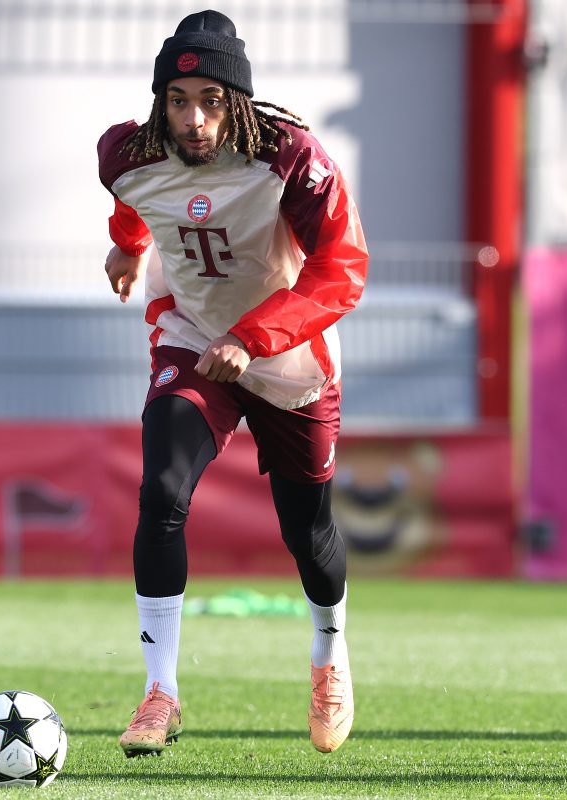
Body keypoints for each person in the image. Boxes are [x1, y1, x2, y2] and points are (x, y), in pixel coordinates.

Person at [96, 8, 369, 758]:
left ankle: (329, 659)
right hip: (191, 335)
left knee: (307, 533)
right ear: (159, 104)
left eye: (212, 101)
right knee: (162, 490)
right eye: (179, 102)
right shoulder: (127, 151)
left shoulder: (291, 157)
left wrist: (253, 338)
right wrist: (127, 248)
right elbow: (131, 197)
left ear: (239, 102)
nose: (194, 120)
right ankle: (161, 692)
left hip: (287, 354)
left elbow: (342, 270)